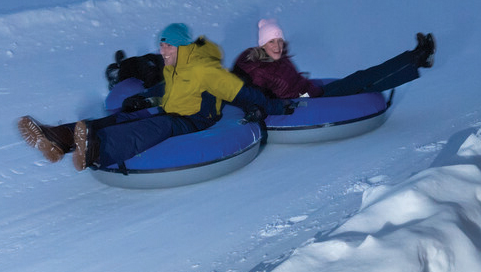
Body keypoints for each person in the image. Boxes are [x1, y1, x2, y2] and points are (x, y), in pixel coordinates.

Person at [17, 23, 287, 171]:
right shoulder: (174, 66)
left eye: (167, 45)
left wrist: (271, 106)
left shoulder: (206, 69)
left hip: (196, 120)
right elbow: (166, 90)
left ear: (182, 46)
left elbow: (241, 92)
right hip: (172, 110)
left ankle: (98, 148)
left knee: (160, 126)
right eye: (161, 45)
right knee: (124, 117)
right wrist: (145, 97)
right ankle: (57, 138)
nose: (163, 50)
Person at [234, 18, 435, 100]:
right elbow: (260, 98)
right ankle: (417, 58)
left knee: (362, 79)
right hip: (310, 103)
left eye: (279, 40)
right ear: (262, 44)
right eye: (272, 42)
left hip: (313, 92)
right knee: (363, 81)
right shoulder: (259, 70)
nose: (277, 46)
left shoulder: (277, 58)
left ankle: (416, 57)